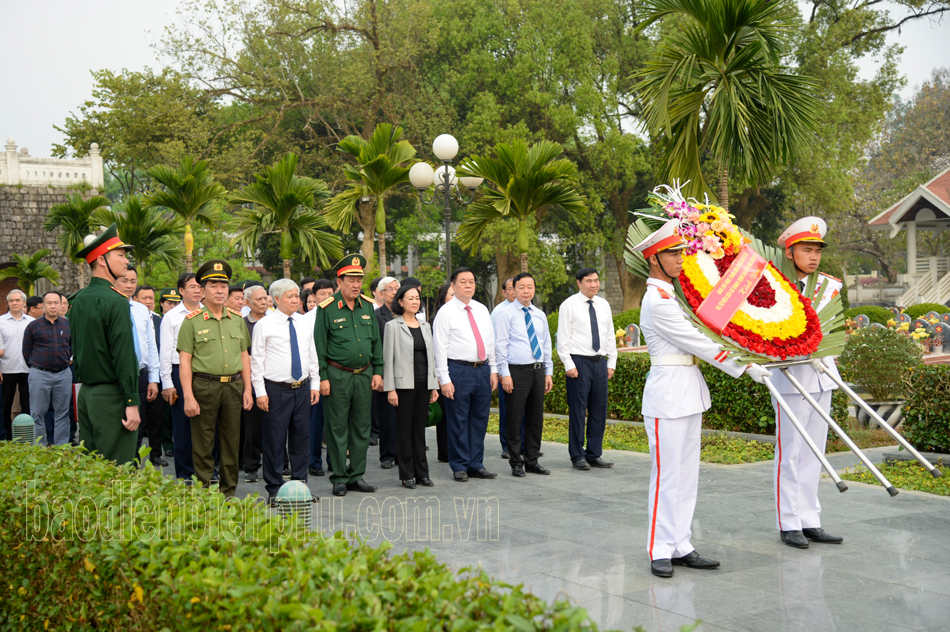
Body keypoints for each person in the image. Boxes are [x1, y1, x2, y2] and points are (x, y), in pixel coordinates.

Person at [633, 219, 771, 578]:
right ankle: (660, 548)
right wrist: (743, 365)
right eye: (672, 254)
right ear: (654, 259)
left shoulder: (672, 296)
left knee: (686, 475)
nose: (680, 259)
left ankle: (681, 543)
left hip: (688, 392)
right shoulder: (657, 301)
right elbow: (699, 343)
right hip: (667, 394)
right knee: (667, 476)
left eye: (680, 252)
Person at [771, 217, 844, 549]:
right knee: (791, 452)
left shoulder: (828, 286)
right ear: (790, 252)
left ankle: (809, 518)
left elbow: (834, 331)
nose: (813, 257)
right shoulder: (772, 287)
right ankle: (788, 521)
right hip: (789, 377)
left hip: (821, 375)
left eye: (817, 251)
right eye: (806, 250)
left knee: (815, 451)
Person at [177, 260, 253, 498]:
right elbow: (185, 361)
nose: (220, 290)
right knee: (203, 444)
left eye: (223, 285)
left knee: (231, 443)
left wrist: (248, 390)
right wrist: (188, 396)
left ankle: (228, 491)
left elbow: (245, 356)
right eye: (213, 285)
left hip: (232, 387)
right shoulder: (192, 321)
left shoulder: (237, 319)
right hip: (204, 386)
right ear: (203, 290)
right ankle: (204, 493)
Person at [69, 223, 142, 464]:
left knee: (92, 470)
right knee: (118, 472)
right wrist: (131, 401)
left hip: (87, 394)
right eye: (120, 255)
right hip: (112, 397)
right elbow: (124, 356)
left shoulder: (78, 300)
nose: (125, 260)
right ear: (102, 260)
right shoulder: (115, 301)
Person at [312, 254, 383, 497]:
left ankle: (356, 475)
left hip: (364, 375)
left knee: (362, 427)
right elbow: (319, 345)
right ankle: (340, 477)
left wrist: (378, 371)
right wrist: (322, 377)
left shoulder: (367, 306)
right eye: (351, 280)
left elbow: (376, 342)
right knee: (337, 427)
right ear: (339, 281)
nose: (356, 284)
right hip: (337, 375)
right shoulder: (327, 308)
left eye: (359, 280)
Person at [250, 279, 321, 505]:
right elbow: (257, 361)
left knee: (302, 438)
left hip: (302, 388)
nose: (295, 300)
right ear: (277, 299)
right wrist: (260, 392)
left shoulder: (304, 322)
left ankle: (300, 487)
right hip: (275, 389)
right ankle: (274, 488)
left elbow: (312, 354)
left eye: (296, 295)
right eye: (289, 296)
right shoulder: (265, 324)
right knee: (274, 440)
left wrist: (315, 384)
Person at [432, 267, 498, 482]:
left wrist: (494, 370)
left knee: (479, 419)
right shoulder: (446, 312)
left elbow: (490, 342)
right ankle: (459, 465)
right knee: (458, 420)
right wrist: (445, 379)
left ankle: (476, 464)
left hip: (483, 369)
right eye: (463, 281)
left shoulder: (481, 309)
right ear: (453, 285)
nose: (468, 285)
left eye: (471, 281)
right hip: (458, 370)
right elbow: (439, 348)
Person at [555, 268, 617, 471]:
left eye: (596, 280)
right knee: (578, 410)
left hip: (600, 362)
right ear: (579, 283)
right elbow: (563, 337)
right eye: (589, 281)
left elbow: (609, 335)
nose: (594, 284)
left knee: (599, 409)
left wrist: (611, 362)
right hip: (578, 362)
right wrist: (568, 364)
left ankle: (594, 453)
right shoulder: (569, 305)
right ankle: (577, 455)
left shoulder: (604, 304)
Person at [495, 273, 553, 477]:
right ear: (514, 290)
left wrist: (548, 371)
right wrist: (505, 373)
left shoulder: (539, 314)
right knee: (515, 417)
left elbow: (546, 344)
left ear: (534, 289)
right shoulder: (506, 314)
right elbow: (500, 345)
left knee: (535, 418)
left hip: (537, 370)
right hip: (516, 371)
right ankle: (516, 462)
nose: (526, 291)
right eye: (521, 287)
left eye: (530, 287)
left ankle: (532, 460)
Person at [383, 284, 438, 488]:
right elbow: (388, 359)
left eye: (417, 298)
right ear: (400, 302)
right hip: (403, 385)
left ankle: (422, 473)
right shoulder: (393, 326)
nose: (415, 302)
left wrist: (434, 386)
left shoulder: (425, 326)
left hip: (424, 384)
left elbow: (430, 358)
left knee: (420, 430)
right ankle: (407, 474)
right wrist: (391, 389)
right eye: (410, 298)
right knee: (404, 430)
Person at [160, 273, 203, 480]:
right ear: (181, 291)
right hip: (179, 374)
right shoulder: (172, 316)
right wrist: (167, 383)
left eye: (200, 286)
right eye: (192, 286)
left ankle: (207, 471)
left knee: (207, 424)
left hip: (205, 373)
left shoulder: (209, 313)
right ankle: (185, 474)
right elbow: (166, 353)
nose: (197, 290)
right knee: (183, 426)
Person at [117, 267, 160, 467]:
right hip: (115, 377)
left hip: (141, 375)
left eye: (133, 281)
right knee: (118, 422)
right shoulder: (109, 306)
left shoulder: (142, 310)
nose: (129, 285)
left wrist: (153, 378)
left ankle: (133, 464)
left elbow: (151, 345)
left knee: (139, 422)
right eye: (124, 280)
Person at [23, 292, 71, 445]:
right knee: (37, 413)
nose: (53, 306)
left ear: (61, 305)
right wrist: (36, 367)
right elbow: (26, 351)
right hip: (40, 374)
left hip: (63, 373)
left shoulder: (67, 324)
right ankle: (39, 448)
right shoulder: (33, 326)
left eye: (56, 302)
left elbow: (71, 347)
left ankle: (61, 447)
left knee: (62, 413)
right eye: (49, 303)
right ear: (43, 305)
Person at [134, 284, 168, 467]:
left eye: (151, 299)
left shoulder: (159, 320)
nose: (148, 302)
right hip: (139, 372)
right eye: (144, 298)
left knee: (156, 417)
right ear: (136, 300)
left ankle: (156, 453)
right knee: (139, 417)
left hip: (157, 374)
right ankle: (135, 455)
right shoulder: (131, 317)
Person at [305, 278, 335, 477]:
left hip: (337, 374)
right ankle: (314, 461)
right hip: (315, 377)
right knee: (315, 423)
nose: (326, 297)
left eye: (329, 293)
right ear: (313, 297)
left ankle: (335, 460)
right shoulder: (306, 320)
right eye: (322, 294)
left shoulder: (340, 314)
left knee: (336, 422)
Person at [241, 284, 269, 483]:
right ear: (247, 302)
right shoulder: (241, 324)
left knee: (276, 427)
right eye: (259, 299)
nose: (264, 302)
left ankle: (280, 465)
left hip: (274, 380)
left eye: (265, 298)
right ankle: (251, 467)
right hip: (250, 382)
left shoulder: (275, 321)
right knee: (253, 428)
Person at [491, 276, 520, 459]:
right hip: (506, 369)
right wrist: (500, 371)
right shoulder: (499, 312)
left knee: (522, 409)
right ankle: (505, 445)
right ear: (504, 292)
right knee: (507, 409)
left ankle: (522, 444)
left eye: (515, 288)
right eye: (510, 289)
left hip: (523, 368)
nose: (513, 292)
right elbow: (495, 343)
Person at [0, 289, 34, 441]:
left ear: (24, 303)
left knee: (28, 405)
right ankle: (7, 437)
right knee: (5, 406)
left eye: (18, 300)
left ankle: (28, 437)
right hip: (6, 369)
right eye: (11, 300)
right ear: (7, 303)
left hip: (29, 369)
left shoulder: (32, 322)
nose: (14, 303)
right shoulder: (0, 322)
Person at [375, 276, 400, 469]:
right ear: (381, 294)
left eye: (396, 288)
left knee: (403, 416)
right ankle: (387, 455)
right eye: (389, 289)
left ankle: (403, 453)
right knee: (387, 416)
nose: (393, 292)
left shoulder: (406, 314)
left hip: (404, 372)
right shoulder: (376, 316)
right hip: (384, 372)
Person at [431, 283, 454, 463]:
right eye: (451, 295)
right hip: (442, 371)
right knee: (445, 414)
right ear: (443, 298)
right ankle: (445, 453)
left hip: (461, 370)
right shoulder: (435, 318)